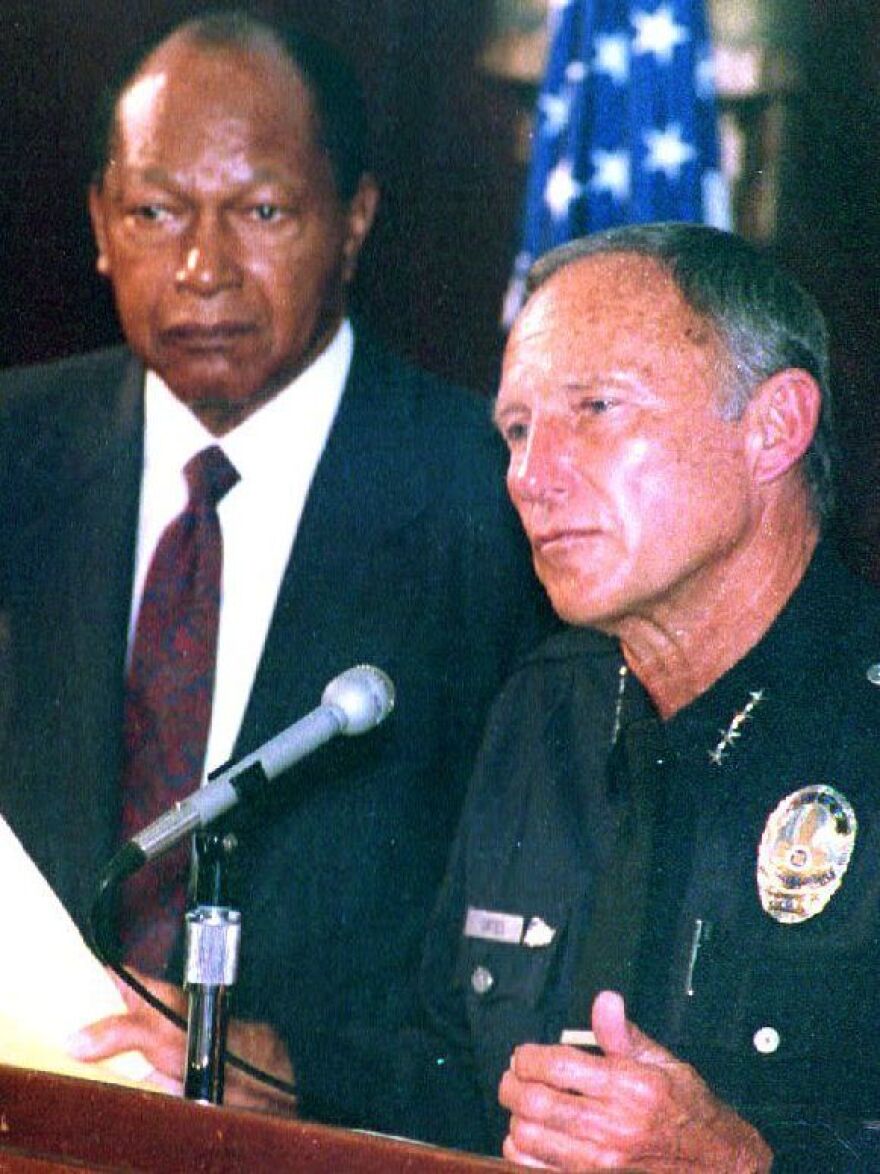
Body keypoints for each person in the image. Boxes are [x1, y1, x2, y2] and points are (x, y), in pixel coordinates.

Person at [0, 12, 551, 1110]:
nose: (204, 268)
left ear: (353, 222)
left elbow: (529, 966)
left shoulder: (498, 505)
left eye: (260, 212)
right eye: (156, 212)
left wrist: (294, 1072)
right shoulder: (17, 453)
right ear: (102, 224)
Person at [288, 223, 880, 1169]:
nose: (529, 475)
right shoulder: (544, 708)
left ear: (774, 427)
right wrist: (273, 1075)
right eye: (516, 431)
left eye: (595, 408)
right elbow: (461, 1088)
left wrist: (747, 1164)